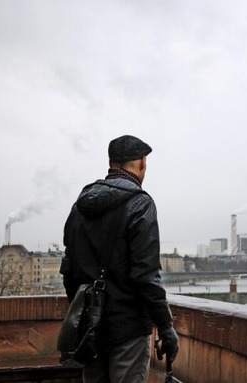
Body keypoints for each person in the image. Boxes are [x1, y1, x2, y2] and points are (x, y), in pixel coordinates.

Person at [61, 135, 179, 383]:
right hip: (128, 328)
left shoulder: (80, 205)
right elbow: (146, 276)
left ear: (111, 163)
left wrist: (85, 312)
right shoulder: (140, 203)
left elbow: (68, 269)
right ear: (142, 163)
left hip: (90, 329)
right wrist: (166, 327)